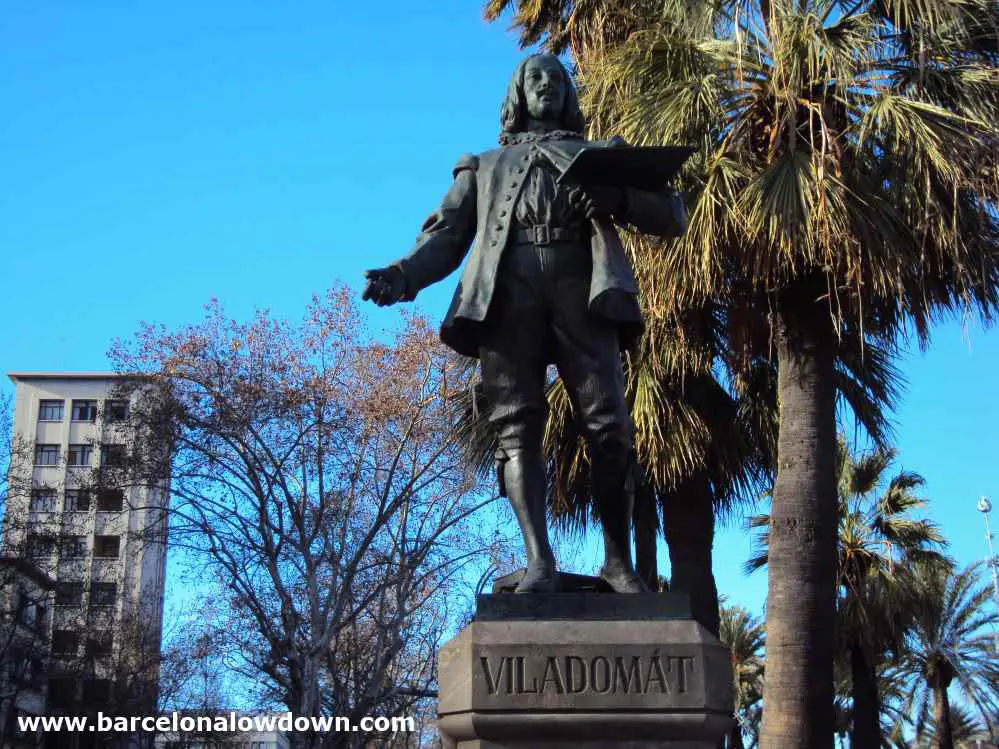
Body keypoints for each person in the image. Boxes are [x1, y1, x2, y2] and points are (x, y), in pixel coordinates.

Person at [362, 53, 687, 593]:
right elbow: (446, 235)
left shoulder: (601, 155)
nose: (547, 85)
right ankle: (540, 562)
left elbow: (671, 216)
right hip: (507, 297)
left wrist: (615, 196)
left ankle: (618, 564)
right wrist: (403, 275)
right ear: (517, 93)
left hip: (583, 290)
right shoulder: (484, 165)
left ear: (569, 92)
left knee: (610, 429)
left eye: (557, 79)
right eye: (535, 78)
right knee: (516, 430)